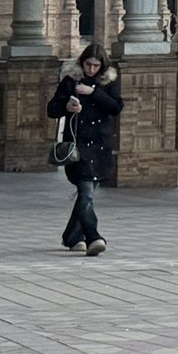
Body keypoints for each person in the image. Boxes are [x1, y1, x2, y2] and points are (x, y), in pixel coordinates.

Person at [48, 45, 122, 255]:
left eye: (96, 66)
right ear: (82, 63)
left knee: (86, 194)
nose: (91, 69)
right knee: (86, 192)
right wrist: (67, 107)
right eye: (88, 64)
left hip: (100, 145)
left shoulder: (107, 82)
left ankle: (72, 237)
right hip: (78, 146)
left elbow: (116, 107)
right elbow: (51, 109)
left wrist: (94, 93)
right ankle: (94, 237)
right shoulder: (71, 81)